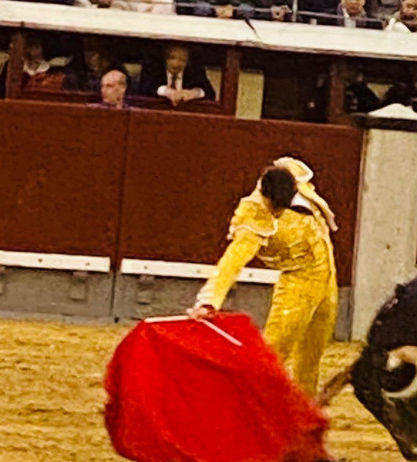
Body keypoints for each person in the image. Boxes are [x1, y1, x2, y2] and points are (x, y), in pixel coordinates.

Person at [189, 158, 339, 400]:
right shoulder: (253, 216)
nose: (278, 212)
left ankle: (303, 414)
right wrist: (209, 301)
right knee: (274, 353)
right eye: (275, 208)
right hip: (297, 282)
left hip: (328, 274)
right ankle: (250, 406)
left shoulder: (293, 175)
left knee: (311, 356)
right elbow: (232, 261)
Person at [138, 42, 216, 104]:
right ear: (165, 58)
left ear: (187, 62)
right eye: (172, 58)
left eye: (182, 60)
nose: (176, 64)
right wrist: (166, 91)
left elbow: (210, 93)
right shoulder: (153, 68)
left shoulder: (194, 71)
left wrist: (194, 93)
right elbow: (144, 89)